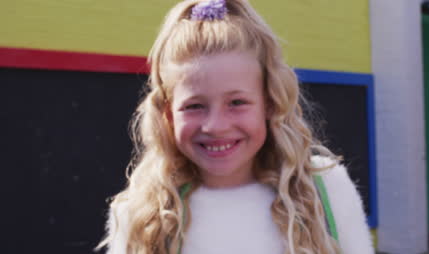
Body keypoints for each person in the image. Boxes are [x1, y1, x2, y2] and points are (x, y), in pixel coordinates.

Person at [97, 0, 374, 253]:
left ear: (269, 102)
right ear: (168, 114)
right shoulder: (139, 214)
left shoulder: (326, 192)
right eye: (194, 106)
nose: (216, 126)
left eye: (237, 102)